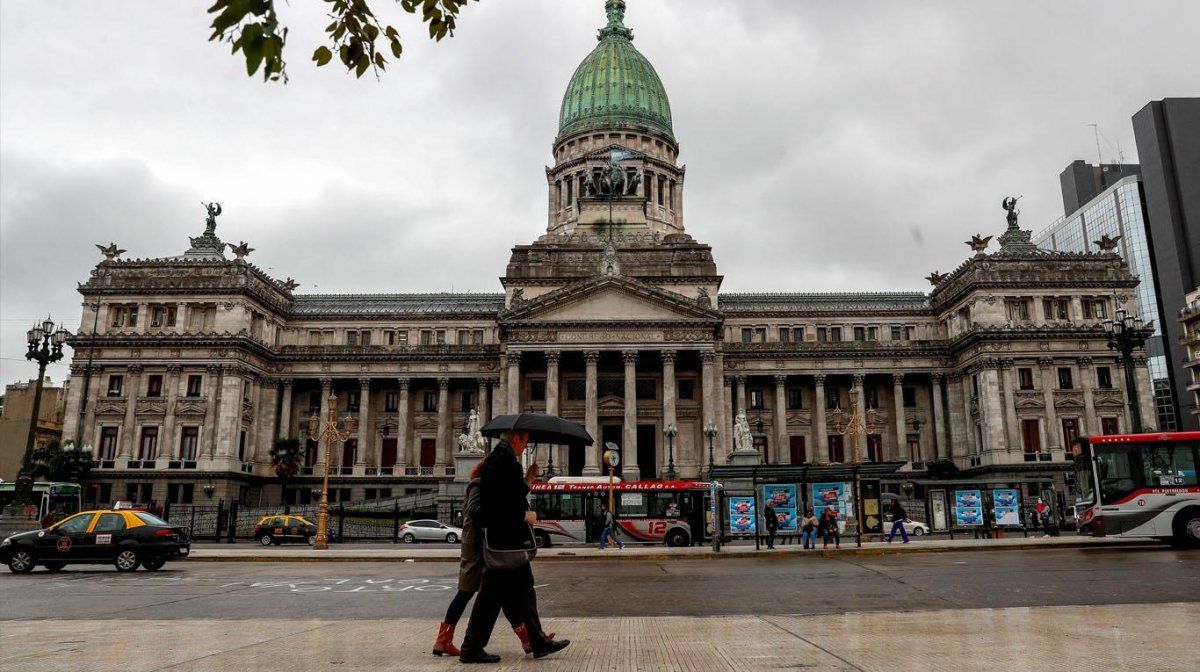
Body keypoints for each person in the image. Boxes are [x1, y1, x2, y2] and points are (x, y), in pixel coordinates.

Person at [458, 431, 570, 664]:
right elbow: (505, 505)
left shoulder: (497, 461)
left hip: (501, 541)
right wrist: (524, 515)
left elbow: (505, 497)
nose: (526, 445)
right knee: (494, 597)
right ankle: (472, 648)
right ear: (516, 438)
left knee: (520, 593)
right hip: (506, 542)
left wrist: (527, 480)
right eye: (526, 440)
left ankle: (537, 643)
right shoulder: (507, 463)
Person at [433, 461, 554, 658]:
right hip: (477, 547)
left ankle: (526, 639)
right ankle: (444, 640)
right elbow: (478, 511)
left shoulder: (488, 486)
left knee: (501, 595)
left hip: (486, 546)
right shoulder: (478, 484)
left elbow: (507, 501)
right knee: (466, 592)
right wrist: (518, 516)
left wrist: (528, 480)